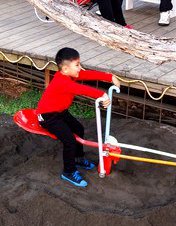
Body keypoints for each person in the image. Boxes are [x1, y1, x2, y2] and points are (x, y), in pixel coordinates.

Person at [36, 47, 120, 188]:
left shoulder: (69, 74)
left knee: (78, 129)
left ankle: (78, 158)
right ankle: (68, 171)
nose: (80, 68)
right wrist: (102, 95)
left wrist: (109, 77)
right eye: (77, 65)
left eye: (79, 64)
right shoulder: (62, 82)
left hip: (60, 112)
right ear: (65, 68)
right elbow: (82, 90)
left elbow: (88, 75)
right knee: (69, 141)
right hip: (47, 116)